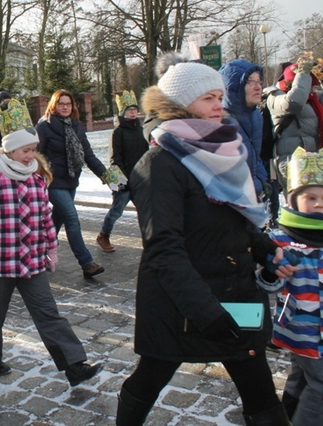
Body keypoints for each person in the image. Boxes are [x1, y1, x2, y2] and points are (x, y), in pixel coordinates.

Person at [116, 62, 290, 425]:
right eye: (208, 98)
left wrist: (265, 248)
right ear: (180, 104)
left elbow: (233, 216)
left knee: (261, 394)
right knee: (152, 377)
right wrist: (207, 313)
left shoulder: (223, 146)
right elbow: (164, 249)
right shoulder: (158, 163)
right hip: (182, 303)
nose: (218, 106)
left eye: (220, 97)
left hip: (234, 291)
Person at [0, 125, 102, 385]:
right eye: (25, 151)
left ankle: (74, 365)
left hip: (32, 261)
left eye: (33, 150)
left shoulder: (36, 179)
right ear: (9, 152)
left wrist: (50, 247)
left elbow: (45, 218)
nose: (31, 155)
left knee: (48, 312)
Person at [256, 147, 323, 426]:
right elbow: (265, 281)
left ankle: (286, 415)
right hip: (303, 329)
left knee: (300, 377)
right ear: (294, 202)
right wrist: (274, 272)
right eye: (311, 198)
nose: (320, 204)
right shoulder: (282, 240)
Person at [36, 89, 107, 278]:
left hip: (72, 179)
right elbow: (36, 155)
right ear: (54, 105)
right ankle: (87, 263)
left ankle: (38, 252)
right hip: (53, 181)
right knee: (72, 219)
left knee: (56, 220)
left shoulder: (76, 126)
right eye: (61, 104)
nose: (65, 107)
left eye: (68, 104)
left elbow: (88, 154)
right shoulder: (44, 127)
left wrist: (106, 176)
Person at [96, 91, 149, 252]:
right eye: (129, 109)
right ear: (122, 112)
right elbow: (115, 158)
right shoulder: (117, 132)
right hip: (124, 180)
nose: (133, 112)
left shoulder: (142, 130)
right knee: (117, 210)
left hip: (140, 179)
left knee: (146, 211)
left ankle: (149, 239)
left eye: (134, 109)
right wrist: (120, 181)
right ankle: (103, 235)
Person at [266, 55, 322, 194]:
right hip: (292, 161)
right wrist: (303, 73)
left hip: (313, 160)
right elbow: (294, 102)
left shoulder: (312, 99)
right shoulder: (275, 96)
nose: (311, 87)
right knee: (301, 205)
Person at [219, 59, 268, 199]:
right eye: (251, 82)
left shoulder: (256, 115)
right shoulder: (221, 120)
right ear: (233, 87)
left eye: (259, 81)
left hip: (254, 196)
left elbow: (255, 155)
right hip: (232, 199)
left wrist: (261, 181)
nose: (258, 87)